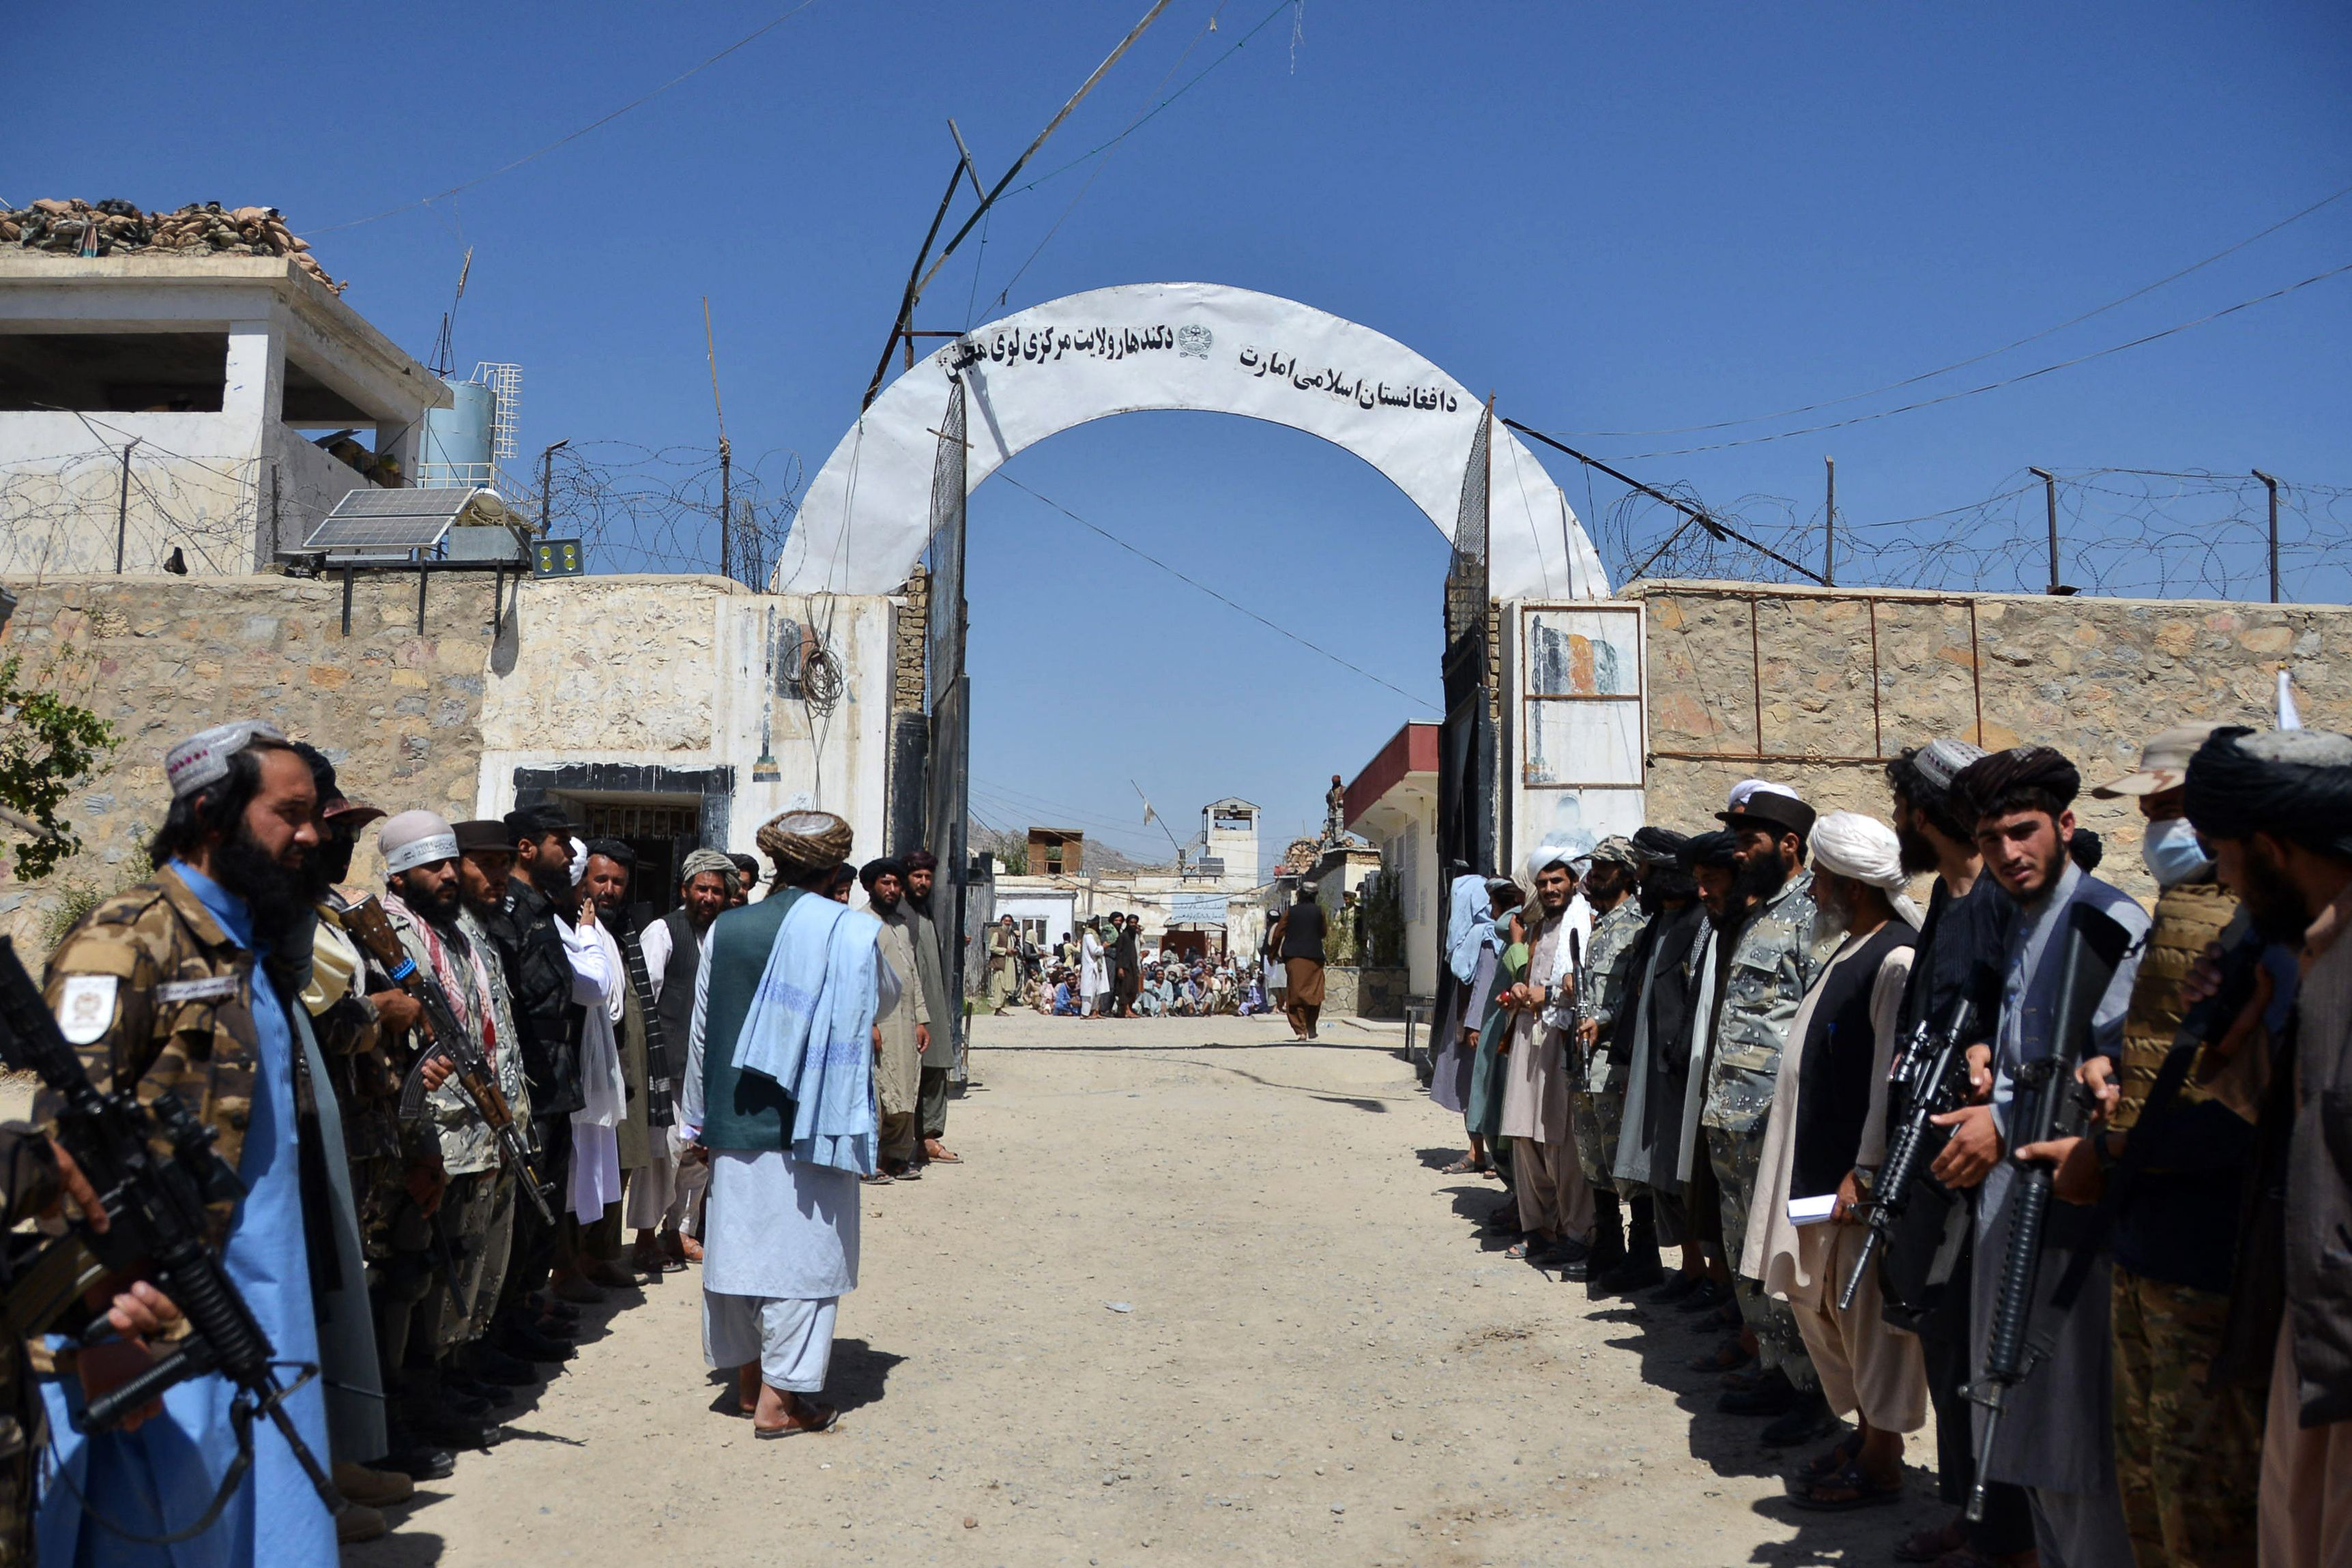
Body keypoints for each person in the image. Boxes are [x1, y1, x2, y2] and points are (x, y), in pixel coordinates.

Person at [35, 720, 339, 1564]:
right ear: (212, 814)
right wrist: (102, 1325)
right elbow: (58, 1152)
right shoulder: (126, 939)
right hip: (155, 1309)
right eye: (290, 813)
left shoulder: (246, 946)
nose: (311, 836)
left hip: (259, 1303)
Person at [2028, 725, 2265, 1568]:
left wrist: (2113, 1153)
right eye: (2154, 812)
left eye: (2176, 810)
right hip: (2147, 1234)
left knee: (2203, 1497)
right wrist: (2108, 1069)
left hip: (2205, 1242)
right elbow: (2165, 1052)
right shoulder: (2190, 908)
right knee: (2152, 1484)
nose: (2163, 831)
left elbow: (2235, 1102)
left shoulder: (2256, 927)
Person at [1934, 745, 2147, 1568]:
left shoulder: (2108, 923)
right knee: (2024, 1432)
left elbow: (2119, 1080)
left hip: (2070, 1218)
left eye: (2023, 832)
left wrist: (2005, 1117)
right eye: (1991, 839)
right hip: (2015, 1209)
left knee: (2072, 1440)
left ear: (2065, 826)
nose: (2008, 854)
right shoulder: (2023, 922)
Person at [2180, 727, 2352, 1568]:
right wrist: (2235, 1028)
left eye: (2223, 854)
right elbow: (2307, 1135)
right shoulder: (2317, 962)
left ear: (2274, 848)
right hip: (2314, 1340)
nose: (2220, 878)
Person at [1876, 739, 2037, 1568]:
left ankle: (2003, 1531)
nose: (1897, 821)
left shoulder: (2001, 906)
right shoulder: (1946, 895)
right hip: (1931, 1158)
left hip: (1986, 1162)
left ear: (1928, 814)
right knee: (1939, 1333)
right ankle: (1971, 1517)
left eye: (1904, 806)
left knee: (1979, 1344)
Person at [682, 810, 886, 1438]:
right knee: (805, 1260)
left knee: (739, 1256)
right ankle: (780, 1403)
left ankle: (747, 1385)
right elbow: (883, 999)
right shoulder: (851, 932)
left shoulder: (727, 929)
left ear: (774, 863)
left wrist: (696, 1117)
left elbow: (701, 1031)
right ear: (834, 868)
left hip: (736, 1120)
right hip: (816, 1124)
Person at [1745, 811, 1926, 1510]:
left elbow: (1890, 1078)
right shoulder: (1856, 945)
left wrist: (1869, 1168)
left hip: (1856, 1181)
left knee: (1866, 1319)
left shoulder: (1897, 958)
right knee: (1814, 1299)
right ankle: (1867, 1433)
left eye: (1821, 880)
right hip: (1819, 1169)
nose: (1813, 892)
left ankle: (1884, 1457)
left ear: (1852, 887)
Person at [374, 812, 534, 1449]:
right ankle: (413, 1401)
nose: (447, 876)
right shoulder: (387, 936)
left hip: (485, 1125)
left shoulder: (461, 932)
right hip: (429, 1134)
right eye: (432, 867)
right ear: (399, 873)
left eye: (449, 864)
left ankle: (448, 1374)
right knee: (424, 1270)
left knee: (467, 1261)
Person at [1698, 781, 1838, 1446]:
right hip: (1730, 1113)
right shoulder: (1755, 913)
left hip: (1772, 1122)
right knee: (1745, 1253)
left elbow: (1820, 1022)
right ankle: (1776, 1368)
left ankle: (1812, 1391)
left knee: (1784, 1261)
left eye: (1748, 838)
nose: (1738, 848)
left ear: (1789, 844)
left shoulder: (1814, 915)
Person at [637, 849, 737, 1264]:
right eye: (702, 889)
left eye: (717, 891)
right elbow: (645, 999)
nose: (709, 898)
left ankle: (680, 1231)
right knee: (664, 1153)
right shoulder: (663, 931)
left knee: (700, 1154)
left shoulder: (726, 937)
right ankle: (645, 1237)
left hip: (709, 1068)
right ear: (685, 890)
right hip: (669, 1065)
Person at [1498, 845, 1594, 1273]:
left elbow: (1588, 985)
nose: (1550, 888)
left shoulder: (1585, 924)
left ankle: (1576, 1233)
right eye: (1543, 883)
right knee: (1523, 1133)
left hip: (1562, 1037)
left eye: (1558, 881)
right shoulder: (1538, 927)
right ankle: (1537, 1228)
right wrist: (1522, 991)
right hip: (1528, 1034)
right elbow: (1533, 978)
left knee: (1560, 1139)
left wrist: (1549, 995)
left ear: (1573, 882)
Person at [1571, 837, 1649, 1288]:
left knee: (1624, 1161)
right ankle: (1607, 1246)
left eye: (1603, 868)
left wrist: (1603, 1018)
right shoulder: (1599, 924)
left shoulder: (1638, 924)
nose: (1594, 875)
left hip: (1612, 1061)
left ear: (1624, 872)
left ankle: (1642, 1255)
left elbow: (1633, 994)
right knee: (1593, 1159)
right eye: (1594, 867)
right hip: (1582, 1062)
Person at [861, 858, 930, 1181]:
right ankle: (868, 1160)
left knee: (906, 1087)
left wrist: (921, 1019)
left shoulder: (902, 925)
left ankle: (897, 1156)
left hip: (905, 1021)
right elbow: (860, 979)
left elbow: (912, 975)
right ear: (870, 886)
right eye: (885, 883)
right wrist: (870, 1023)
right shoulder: (860, 923)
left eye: (895, 885)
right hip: (878, 1022)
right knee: (876, 1092)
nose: (891, 890)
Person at [901, 850, 961, 1167]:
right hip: (907, 1009)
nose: (923, 882)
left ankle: (929, 1139)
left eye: (927, 877)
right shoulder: (898, 913)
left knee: (936, 1070)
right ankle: (902, 1143)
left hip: (933, 1005)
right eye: (917, 876)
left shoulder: (925, 911)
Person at [1273, 884, 1329, 1041]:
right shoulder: (1320, 912)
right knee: (1314, 993)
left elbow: (1278, 934)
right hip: (1315, 958)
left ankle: (1301, 1030)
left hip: (1295, 958)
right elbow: (1323, 932)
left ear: (1300, 895)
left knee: (1295, 994)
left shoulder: (1291, 912)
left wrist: (1272, 954)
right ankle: (1311, 1026)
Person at [985, 914, 1019, 1015]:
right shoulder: (997, 934)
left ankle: (1000, 1007)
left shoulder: (1011, 935)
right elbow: (992, 948)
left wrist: (1014, 951)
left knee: (1007, 986)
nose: (1008, 923)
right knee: (999, 986)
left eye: (1010, 921)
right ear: (1002, 922)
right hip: (1000, 963)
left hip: (1009, 962)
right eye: (1006, 921)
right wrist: (1005, 951)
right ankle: (997, 1008)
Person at [1112, 913, 1143, 1019]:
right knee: (1125, 989)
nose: (1133, 925)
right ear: (1127, 923)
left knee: (1133, 989)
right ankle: (1126, 1011)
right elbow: (1119, 953)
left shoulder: (1135, 936)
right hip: (1125, 967)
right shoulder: (1123, 936)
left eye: (1135, 923)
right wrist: (1120, 968)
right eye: (1131, 923)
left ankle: (1130, 1009)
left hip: (1134, 966)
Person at [1081, 917, 1108, 1016]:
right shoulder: (1089, 936)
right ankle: (1085, 1013)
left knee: (1097, 990)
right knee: (1089, 992)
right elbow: (1095, 950)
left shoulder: (1094, 935)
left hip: (1096, 966)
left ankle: (1094, 1012)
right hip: (1090, 967)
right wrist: (1104, 947)